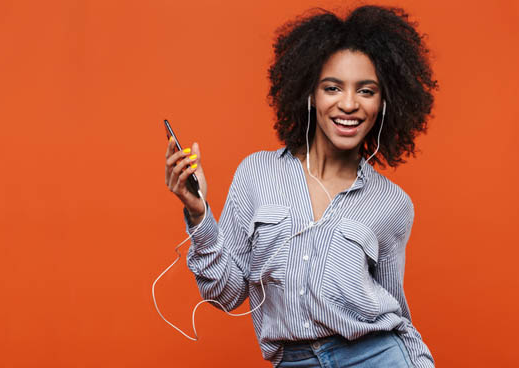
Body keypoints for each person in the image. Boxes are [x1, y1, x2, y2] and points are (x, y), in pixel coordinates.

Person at [163, 5, 437, 367]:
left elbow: (396, 309)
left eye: (366, 91)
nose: (349, 104)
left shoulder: (392, 204)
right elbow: (226, 295)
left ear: (384, 104)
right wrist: (199, 215)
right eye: (332, 88)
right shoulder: (257, 174)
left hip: (377, 357)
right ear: (310, 94)